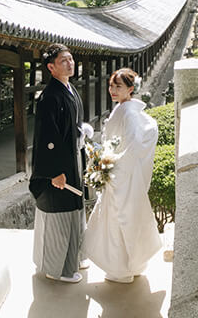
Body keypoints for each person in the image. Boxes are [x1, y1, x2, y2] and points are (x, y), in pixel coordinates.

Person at [82, 67, 162, 283]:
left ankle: (121, 269)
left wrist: (112, 165)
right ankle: (130, 265)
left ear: (130, 88)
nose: (113, 90)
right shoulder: (125, 109)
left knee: (118, 220)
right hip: (120, 172)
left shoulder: (126, 111)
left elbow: (134, 143)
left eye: (118, 86)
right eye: (111, 85)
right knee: (122, 219)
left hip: (121, 174)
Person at [30, 43, 91, 283]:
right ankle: (58, 269)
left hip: (71, 159)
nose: (70, 63)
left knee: (75, 209)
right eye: (64, 60)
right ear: (51, 67)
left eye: (71, 59)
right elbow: (48, 138)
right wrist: (54, 172)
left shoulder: (69, 89)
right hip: (57, 166)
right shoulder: (49, 97)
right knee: (59, 215)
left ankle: (73, 259)